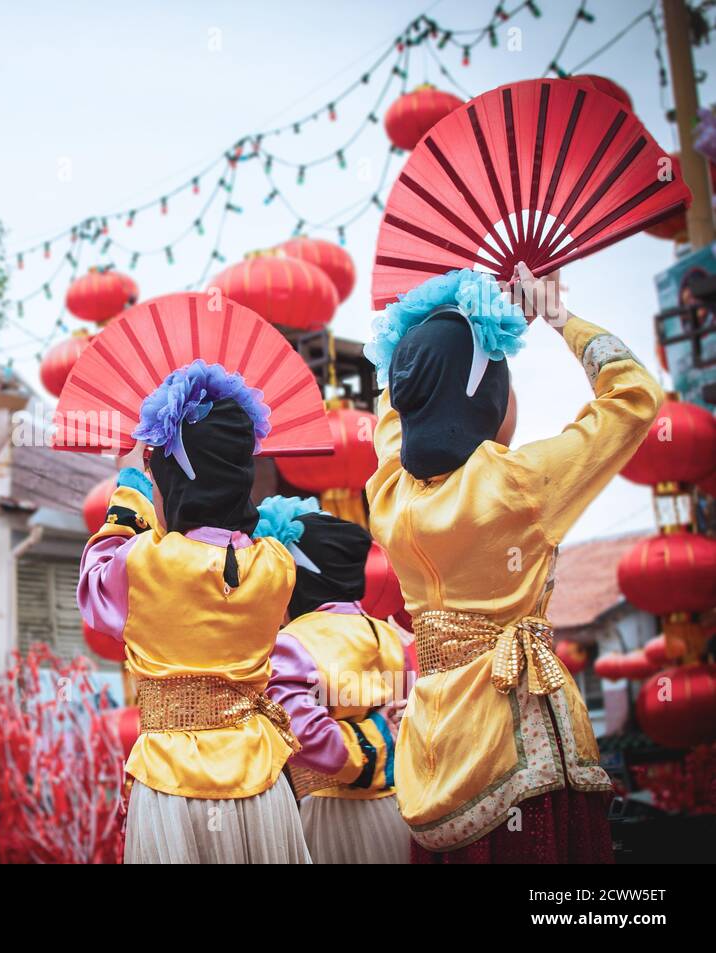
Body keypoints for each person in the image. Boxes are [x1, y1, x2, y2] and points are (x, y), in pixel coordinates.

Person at [364, 262, 664, 862]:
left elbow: (396, 411)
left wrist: (434, 336)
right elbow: (635, 395)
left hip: (435, 744)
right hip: (516, 740)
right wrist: (558, 317)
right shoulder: (516, 486)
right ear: (487, 393)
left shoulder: (388, 495)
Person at [77, 360, 312, 864]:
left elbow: (95, 592)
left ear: (175, 481)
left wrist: (129, 491)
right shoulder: (276, 564)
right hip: (260, 780)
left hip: (172, 784)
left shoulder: (145, 560)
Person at [265, 503, 412, 863]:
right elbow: (404, 718)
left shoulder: (291, 642)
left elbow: (302, 734)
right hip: (398, 809)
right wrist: (385, 736)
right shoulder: (386, 634)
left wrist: (373, 738)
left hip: (335, 814)